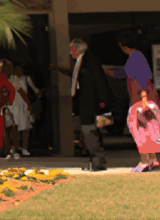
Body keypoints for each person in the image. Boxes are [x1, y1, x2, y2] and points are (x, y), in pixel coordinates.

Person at [50, 38, 114, 172]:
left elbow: (99, 80)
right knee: (90, 132)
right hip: (86, 102)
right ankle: (95, 162)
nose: (70, 52)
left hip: (94, 103)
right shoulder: (80, 61)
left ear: (78, 49)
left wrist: (103, 102)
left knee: (90, 131)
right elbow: (75, 77)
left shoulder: (89, 60)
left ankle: (97, 163)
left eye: (71, 49)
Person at [105, 30, 160, 107]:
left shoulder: (136, 56)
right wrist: (105, 70)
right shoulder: (134, 56)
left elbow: (142, 80)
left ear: (122, 46)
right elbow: (120, 73)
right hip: (139, 96)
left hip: (142, 97)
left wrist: (144, 99)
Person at [127, 88, 160, 172]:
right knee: (152, 131)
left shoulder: (134, 78)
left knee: (140, 133)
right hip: (151, 105)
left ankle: (145, 160)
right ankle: (153, 159)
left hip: (139, 107)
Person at [13, 65, 40, 156]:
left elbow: (34, 89)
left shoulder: (26, 78)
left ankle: (25, 148)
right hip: (14, 104)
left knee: (26, 126)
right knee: (14, 126)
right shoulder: (12, 79)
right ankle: (15, 147)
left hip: (24, 104)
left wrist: (38, 92)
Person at [0, 59, 21, 160]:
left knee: (13, 128)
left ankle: (14, 149)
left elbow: (17, 91)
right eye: (1, 68)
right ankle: (5, 150)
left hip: (13, 106)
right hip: (0, 106)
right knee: (3, 129)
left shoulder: (13, 78)